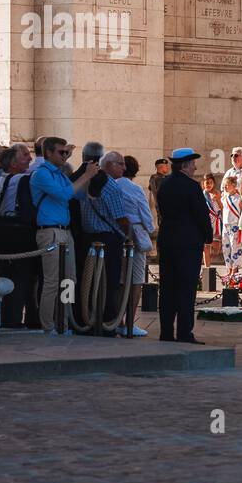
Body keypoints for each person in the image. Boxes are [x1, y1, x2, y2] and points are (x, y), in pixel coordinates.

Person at [31, 137, 99, 334]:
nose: (65, 156)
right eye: (60, 152)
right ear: (49, 153)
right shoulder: (41, 174)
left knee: (69, 280)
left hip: (65, 231)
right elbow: (63, 194)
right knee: (52, 280)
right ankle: (48, 325)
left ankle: (65, 322)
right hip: (50, 231)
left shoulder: (60, 174)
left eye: (66, 152)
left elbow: (77, 195)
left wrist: (87, 175)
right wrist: (85, 175)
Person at [157, 147, 213, 343]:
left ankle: (165, 332)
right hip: (188, 242)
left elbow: (162, 209)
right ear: (185, 165)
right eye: (192, 164)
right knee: (186, 288)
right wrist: (208, 236)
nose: (195, 167)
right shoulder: (191, 186)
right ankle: (184, 332)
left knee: (167, 288)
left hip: (167, 240)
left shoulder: (164, 184)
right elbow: (201, 215)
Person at [79, 152, 133, 334]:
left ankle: (88, 321)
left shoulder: (87, 180)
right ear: (108, 165)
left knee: (90, 282)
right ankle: (107, 323)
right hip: (108, 239)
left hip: (88, 238)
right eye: (121, 164)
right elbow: (120, 218)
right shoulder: (111, 186)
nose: (124, 168)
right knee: (109, 283)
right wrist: (129, 233)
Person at [0, 142, 39, 329]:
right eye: (25, 155)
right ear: (13, 163)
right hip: (19, 234)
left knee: (5, 275)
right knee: (22, 278)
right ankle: (17, 318)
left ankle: (7, 317)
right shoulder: (21, 180)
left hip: (2, 231)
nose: (30, 158)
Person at [114, 154, 156, 336]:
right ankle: (129, 324)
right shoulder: (135, 189)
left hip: (116, 233)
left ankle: (117, 320)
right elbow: (145, 214)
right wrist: (150, 229)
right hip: (135, 234)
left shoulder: (112, 186)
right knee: (136, 280)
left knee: (120, 280)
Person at [220, 175, 242, 272]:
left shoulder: (238, 197)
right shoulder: (224, 198)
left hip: (235, 225)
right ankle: (229, 268)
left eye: (227, 185)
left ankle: (235, 269)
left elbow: (241, 209)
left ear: (233, 185)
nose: (225, 187)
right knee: (226, 247)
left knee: (234, 246)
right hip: (226, 225)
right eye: (224, 186)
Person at [202, 174, 222, 268]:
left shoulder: (217, 193)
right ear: (203, 184)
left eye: (211, 183)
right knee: (206, 247)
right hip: (206, 222)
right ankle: (207, 268)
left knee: (217, 249)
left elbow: (222, 208)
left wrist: (218, 199)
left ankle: (210, 262)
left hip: (216, 223)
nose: (209, 185)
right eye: (207, 183)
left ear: (214, 183)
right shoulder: (201, 195)